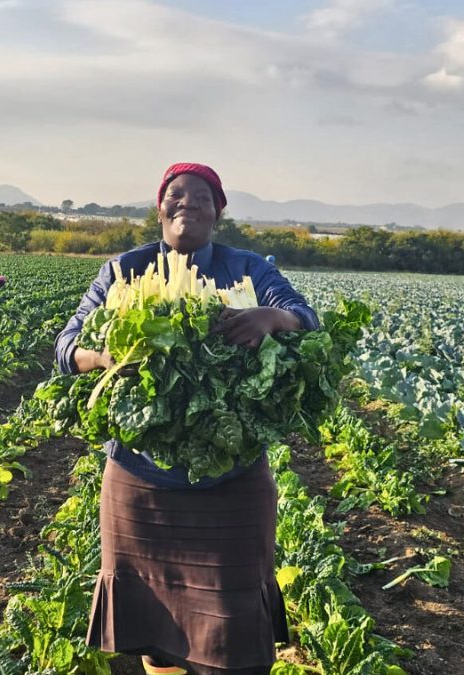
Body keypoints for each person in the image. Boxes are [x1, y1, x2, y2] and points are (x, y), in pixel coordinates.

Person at [55, 162, 319, 675]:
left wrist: (271, 317)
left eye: (202, 198)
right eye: (176, 195)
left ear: (218, 212)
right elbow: (66, 348)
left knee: (233, 627)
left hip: (231, 477)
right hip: (142, 480)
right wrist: (104, 357)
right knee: (155, 631)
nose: (188, 205)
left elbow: (305, 318)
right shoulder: (123, 271)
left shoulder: (248, 270)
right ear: (160, 206)